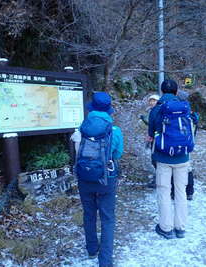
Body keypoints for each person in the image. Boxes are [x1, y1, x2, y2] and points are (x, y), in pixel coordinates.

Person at [75, 92, 124, 267]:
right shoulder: (115, 130)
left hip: (84, 178)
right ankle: (105, 260)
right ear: (109, 110)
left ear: (92, 108)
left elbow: (76, 151)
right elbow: (117, 154)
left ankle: (91, 249)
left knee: (89, 214)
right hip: (106, 179)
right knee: (107, 218)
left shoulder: (82, 128)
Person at [148, 79, 194, 239]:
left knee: (164, 191)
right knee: (181, 192)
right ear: (176, 91)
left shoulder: (156, 109)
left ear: (161, 92)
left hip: (163, 157)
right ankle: (180, 228)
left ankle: (166, 228)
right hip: (183, 157)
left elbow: (151, 134)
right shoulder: (184, 108)